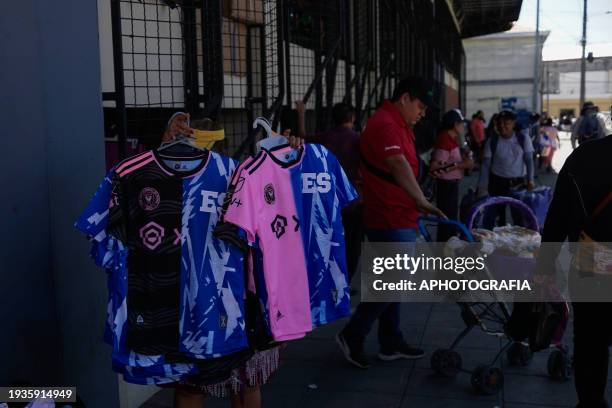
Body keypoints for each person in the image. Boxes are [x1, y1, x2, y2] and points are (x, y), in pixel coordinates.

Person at [335, 76, 445, 369]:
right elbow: (397, 165)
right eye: (421, 106)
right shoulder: (385, 124)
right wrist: (421, 199)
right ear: (405, 98)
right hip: (389, 215)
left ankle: (390, 340)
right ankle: (353, 334)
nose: (422, 114)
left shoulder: (399, 124)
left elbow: (403, 166)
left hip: (397, 213)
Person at [536, 130, 612, 408]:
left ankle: (591, 403)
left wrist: (545, 266)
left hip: (590, 263)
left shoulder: (583, 157)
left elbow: (557, 217)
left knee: (591, 341)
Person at [295, 101, 363, 282]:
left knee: (328, 240)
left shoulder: (327, 137)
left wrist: (301, 113)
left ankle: (326, 278)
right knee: (352, 243)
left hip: (327, 198)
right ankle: (344, 280)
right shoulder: (358, 139)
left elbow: (302, 137)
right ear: (352, 118)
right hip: (353, 199)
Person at [477, 110, 535, 227]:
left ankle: (519, 243)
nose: (502, 126)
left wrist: (530, 180)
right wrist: (482, 187)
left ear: (513, 123)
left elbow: (529, 160)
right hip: (497, 183)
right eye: (499, 123)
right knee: (496, 217)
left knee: (519, 217)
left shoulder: (523, 139)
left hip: (518, 184)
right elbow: (486, 165)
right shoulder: (492, 141)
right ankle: (498, 242)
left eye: (506, 123)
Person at [430, 109, 474, 242]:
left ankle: (448, 251)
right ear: (455, 125)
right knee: (447, 222)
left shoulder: (451, 139)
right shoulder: (444, 140)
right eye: (462, 124)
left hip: (451, 185)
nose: (463, 127)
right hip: (446, 187)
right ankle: (445, 255)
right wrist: (461, 164)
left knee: (450, 221)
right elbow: (435, 168)